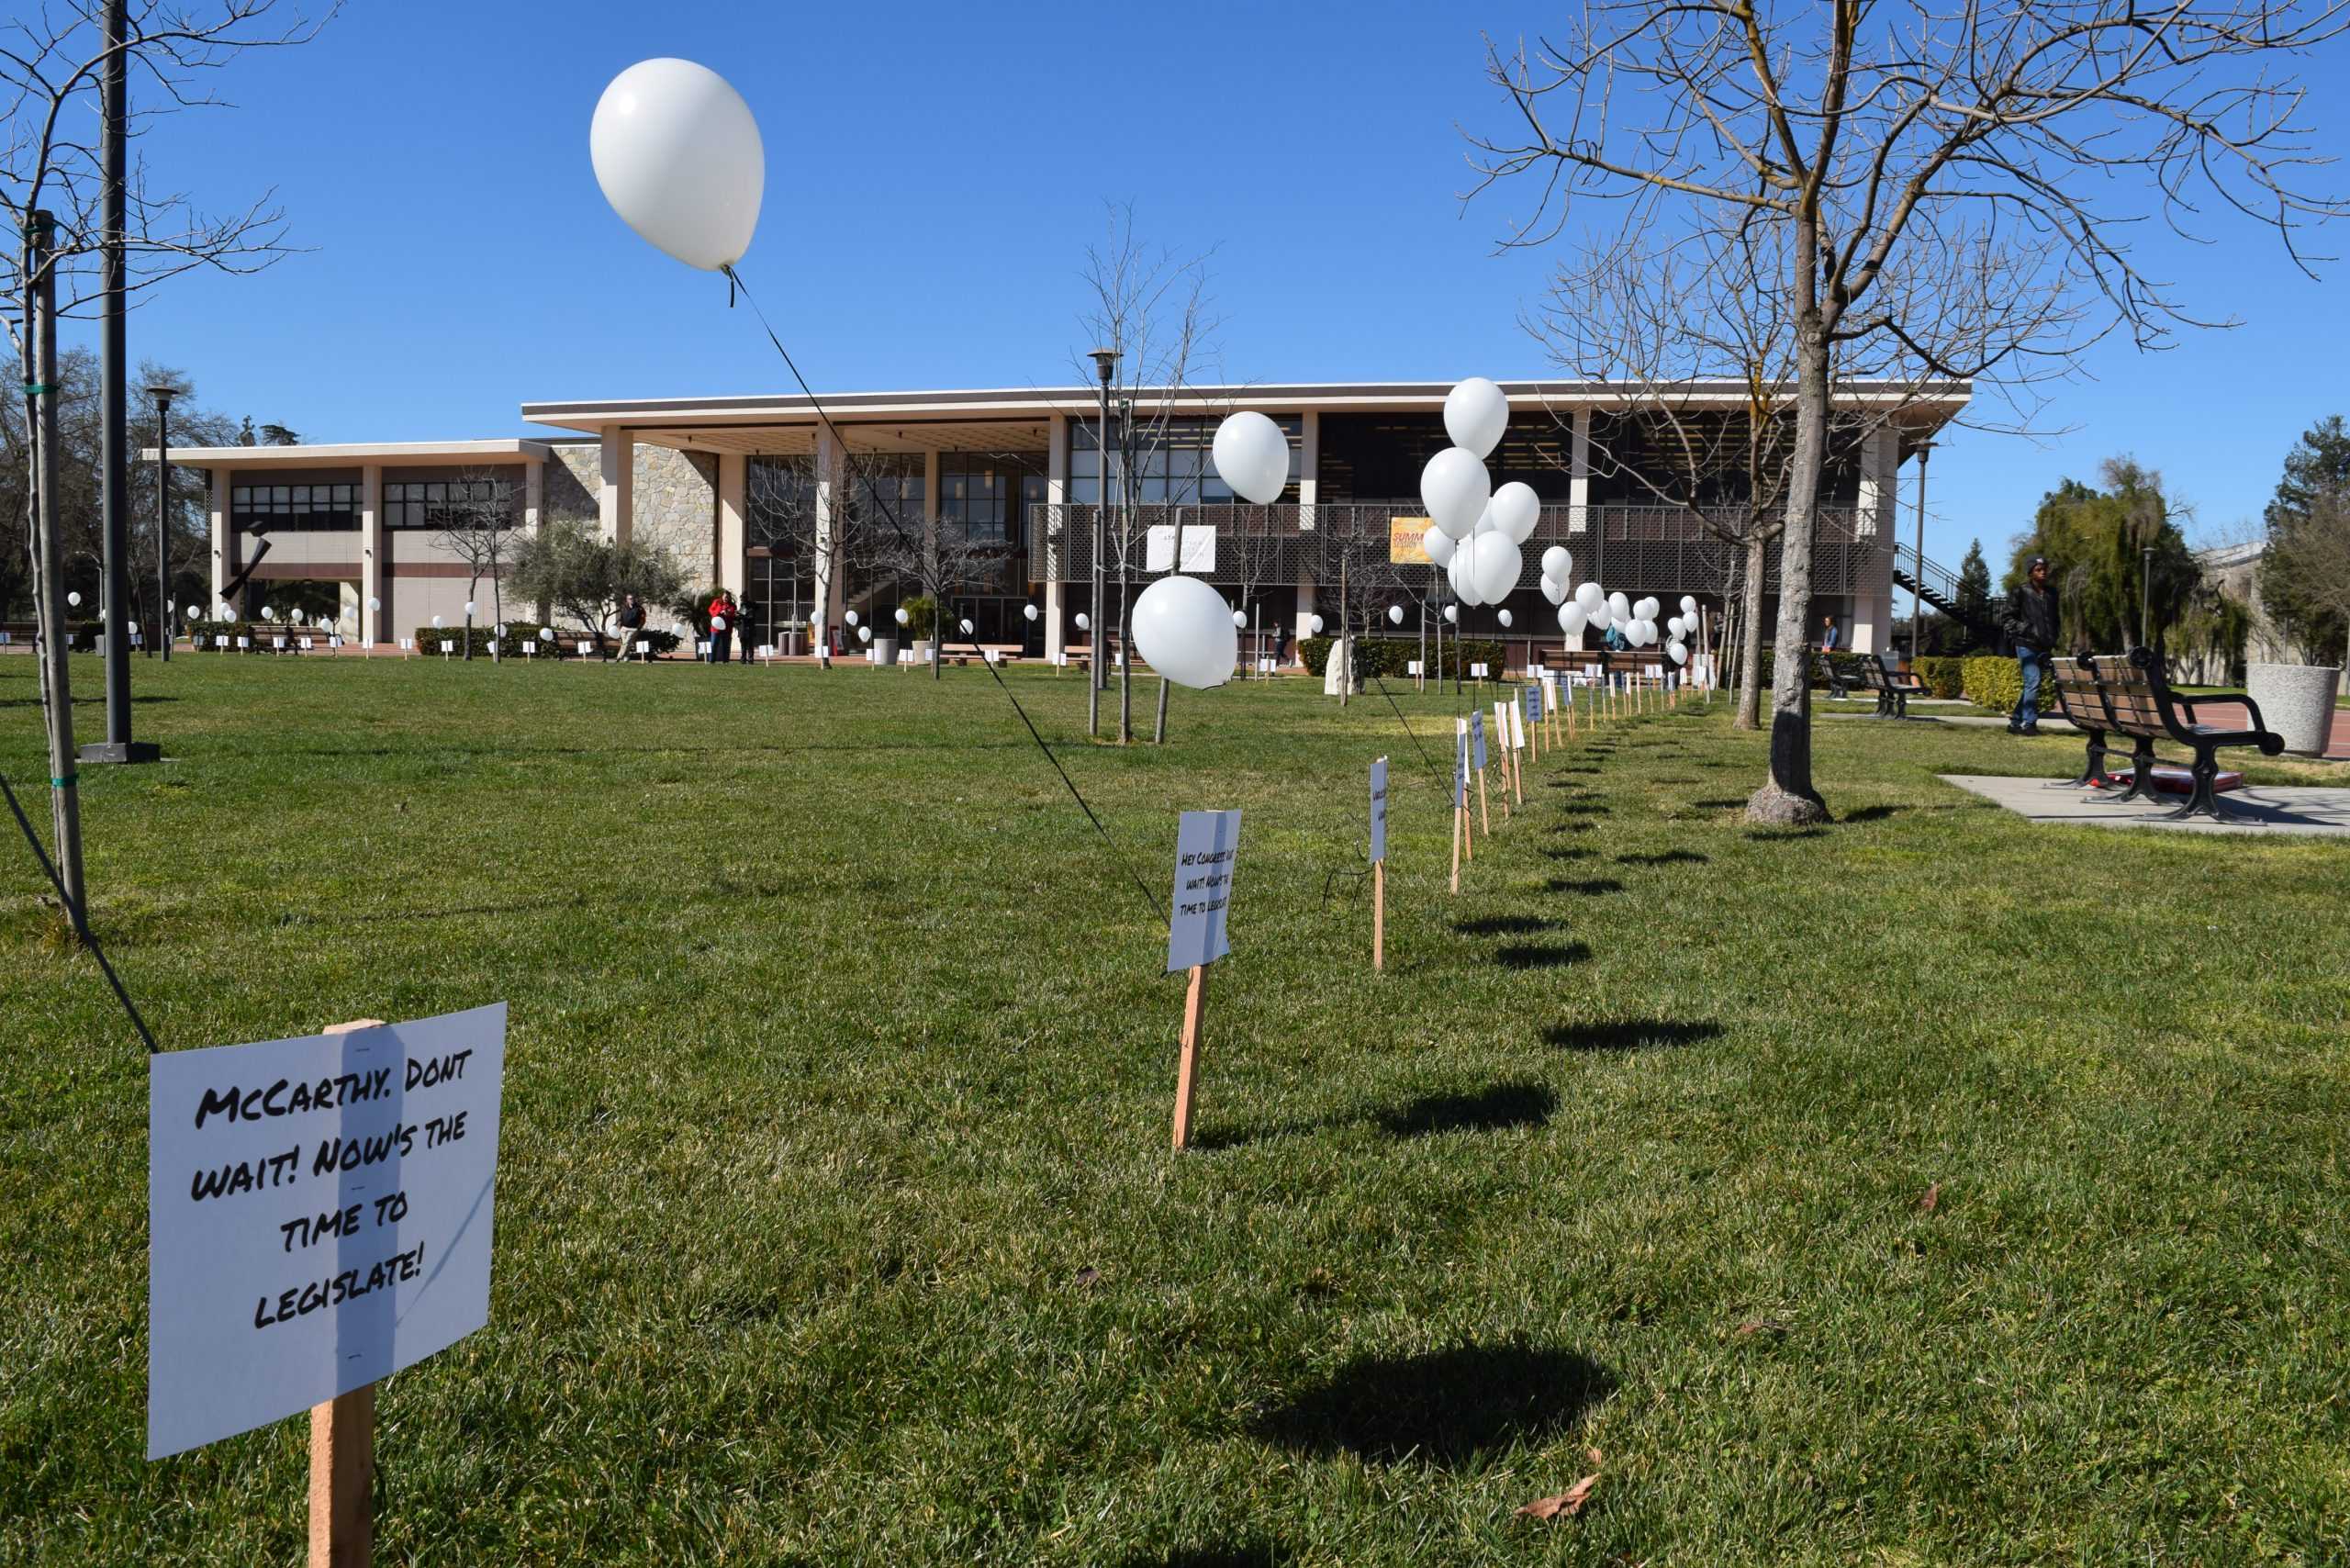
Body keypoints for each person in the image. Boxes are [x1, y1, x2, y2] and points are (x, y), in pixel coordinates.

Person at [2000, 554, 2061, 735]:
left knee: (2031, 684)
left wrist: (2054, 636)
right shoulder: (2021, 591)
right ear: (2030, 572)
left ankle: (2016, 722)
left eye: (2044, 570)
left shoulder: (2052, 593)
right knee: (2033, 681)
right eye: (2038, 570)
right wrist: (2025, 629)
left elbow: (2055, 618)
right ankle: (2030, 724)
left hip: (2044, 645)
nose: (2043, 573)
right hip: (2025, 643)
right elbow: (2007, 618)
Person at [611, 592, 645, 662]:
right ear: (627, 600)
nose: (632, 600)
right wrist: (619, 626)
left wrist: (639, 627)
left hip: (633, 629)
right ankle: (626, 659)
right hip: (624, 628)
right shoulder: (624, 608)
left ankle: (618, 657)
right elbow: (621, 618)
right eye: (630, 599)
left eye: (633, 599)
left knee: (626, 643)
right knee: (625, 644)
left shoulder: (639, 608)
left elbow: (643, 619)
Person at [707, 589, 737, 666]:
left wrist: (727, 613)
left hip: (727, 629)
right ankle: (712, 661)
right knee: (714, 644)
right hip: (715, 628)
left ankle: (726, 661)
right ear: (722, 596)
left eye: (728, 597)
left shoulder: (732, 605)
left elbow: (733, 615)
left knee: (726, 645)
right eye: (725, 597)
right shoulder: (717, 602)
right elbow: (710, 610)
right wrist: (719, 612)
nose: (726, 598)